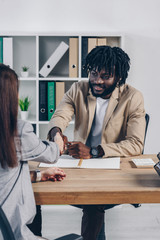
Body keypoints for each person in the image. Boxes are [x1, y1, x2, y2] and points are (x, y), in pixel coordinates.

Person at [48, 46, 146, 240]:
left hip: (112, 166)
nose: (98, 81)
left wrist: (94, 151)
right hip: (78, 165)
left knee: (94, 201)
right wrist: (56, 134)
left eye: (106, 76)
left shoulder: (133, 97)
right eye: (94, 73)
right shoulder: (78, 89)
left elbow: (136, 144)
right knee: (32, 192)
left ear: (118, 77)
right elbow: (60, 116)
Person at [0, 64, 66, 240]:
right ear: (10, 96)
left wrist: (39, 175)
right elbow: (52, 154)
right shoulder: (16, 130)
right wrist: (57, 138)